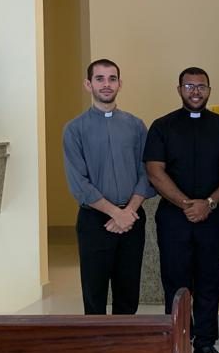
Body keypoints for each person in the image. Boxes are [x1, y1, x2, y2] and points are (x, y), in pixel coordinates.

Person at [144, 67, 219, 353]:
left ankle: (206, 344)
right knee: (176, 280)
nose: (195, 91)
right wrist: (186, 204)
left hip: (213, 215)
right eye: (189, 86)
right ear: (179, 89)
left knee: (210, 280)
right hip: (174, 217)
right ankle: (178, 342)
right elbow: (154, 171)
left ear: (209, 90)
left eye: (201, 86)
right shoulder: (162, 126)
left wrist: (208, 204)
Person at [62, 59, 155, 315]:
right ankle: (97, 342)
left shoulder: (136, 126)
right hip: (95, 221)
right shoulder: (74, 129)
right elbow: (79, 182)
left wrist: (129, 212)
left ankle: (125, 340)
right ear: (88, 84)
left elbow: (146, 172)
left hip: (132, 218)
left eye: (112, 79)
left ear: (120, 84)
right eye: (100, 79)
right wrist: (116, 213)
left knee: (128, 292)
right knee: (94, 294)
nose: (106, 84)